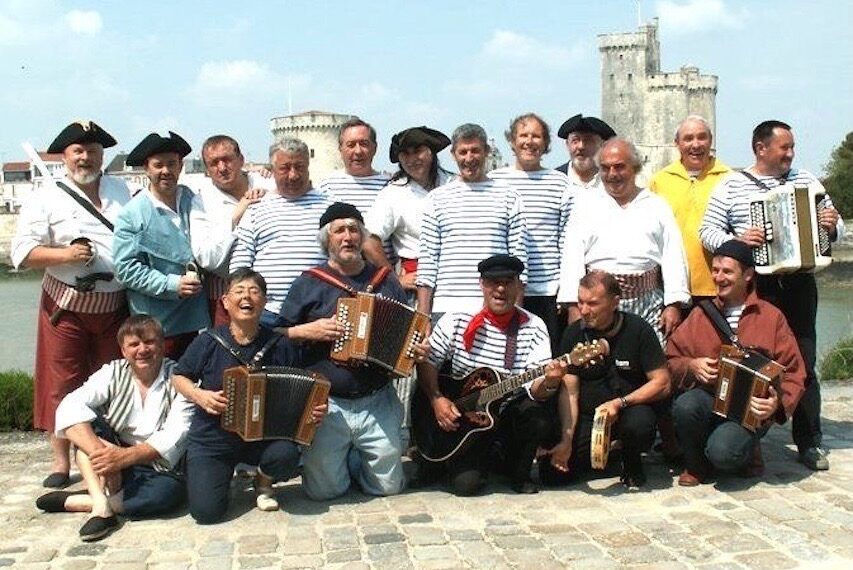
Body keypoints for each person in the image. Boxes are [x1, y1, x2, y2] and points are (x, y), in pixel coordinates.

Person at [700, 120, 845, 471]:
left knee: (804, 360)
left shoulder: (806, 181)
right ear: (761, 149)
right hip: (759, 286)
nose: (791, 154)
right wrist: (738, 242)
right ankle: (752, 435)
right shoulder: (731, 185)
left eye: (792, 147)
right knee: (757, 359)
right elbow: (707, 231)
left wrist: (830, 225)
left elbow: (836, 225)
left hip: (798, 284)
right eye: (785, 148)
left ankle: (810, 441)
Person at [11, 120, 132, 488]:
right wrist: (65, 255)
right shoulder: (44, 197)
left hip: (114, 305)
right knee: (62, 385)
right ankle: (61, 463)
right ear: (64, 155)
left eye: (92, 151)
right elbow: (23, 253)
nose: (85, 157)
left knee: (112, 383)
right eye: (78, 151)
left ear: (102, 155)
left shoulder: (123, 190)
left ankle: (108, 453)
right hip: (66, 306)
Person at [279, 202, 419, 500]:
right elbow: (276, 335)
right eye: (339, 231)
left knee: (389, 489)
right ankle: (343, 456)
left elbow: (407, 331)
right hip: (328, 404)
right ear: (327, 240)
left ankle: (354, 457)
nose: (347, 237)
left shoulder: (384, 280)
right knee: (323, 492)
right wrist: (306, 330)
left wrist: (414, 348)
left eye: (354, 230)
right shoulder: (308, 283)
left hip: (377, 399)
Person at [172, 268, 326, 523]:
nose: (247, 297)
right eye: (239, 291)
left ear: (264, 302)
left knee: (287, 454)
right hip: (214, 438)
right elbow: (179, 376)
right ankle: (219, 477)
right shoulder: (208, 341)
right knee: (206, 513)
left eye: (255, 292)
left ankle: (263, 480)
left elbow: (306, 389)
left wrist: (316, 409)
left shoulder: (279, 344)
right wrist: (199, 396)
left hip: (263, 438)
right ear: (225, 302)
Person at [35, 315, 193, 541]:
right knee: (83, 424)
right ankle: (102, 506)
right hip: (110, 456)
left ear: (162, 344)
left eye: (149, 342)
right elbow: (69, 406)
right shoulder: (112, 372)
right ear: (123, 350)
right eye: (134, 344)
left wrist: (122, 458)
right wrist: (103, 454)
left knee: (169, 495)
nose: (142, 350)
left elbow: (175, 435)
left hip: (156, 464)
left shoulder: (179, 377)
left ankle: (89, 499)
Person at [666, 241, 806, 485]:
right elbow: (670, 359)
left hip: (750, 410)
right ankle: (697, 467)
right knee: (686, 405)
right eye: (716, 270)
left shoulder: (771, 317)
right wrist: (691, 365)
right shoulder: (700, 315)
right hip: (710, 398)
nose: (718, 277)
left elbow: (794, 371)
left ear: (748, 275)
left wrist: (777, 404)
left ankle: (743, 450)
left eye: (727, 271)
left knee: (723, 454)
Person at [416, 254, 554, 495]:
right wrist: (436, 398)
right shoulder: (457, 319)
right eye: (493, 282)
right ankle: (458, 458)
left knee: (537, 417)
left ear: (519, 285)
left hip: (507, 412)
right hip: (465, 417)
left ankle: (517, 472)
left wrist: (550, 381)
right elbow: (429, 361)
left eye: (508, 282)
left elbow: (535, 390)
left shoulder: (534, 326)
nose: (500, 289)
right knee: (466, 486)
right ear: (481, 284)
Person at [539, 271, 671, 488]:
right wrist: (567, 439)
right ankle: (607, 454)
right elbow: (569, 392)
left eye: (592, 303)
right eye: (580, 302)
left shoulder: (639, 330)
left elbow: (662, 382)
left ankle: (630, 459)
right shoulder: (573, 334)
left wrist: (620, 403)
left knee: (639, 425)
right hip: (589, 416)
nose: (583, 310)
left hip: (629, 409)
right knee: (551, 475)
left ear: (614, 302)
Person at [557, 137, 690, 344]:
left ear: (634, 168)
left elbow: (673, 255)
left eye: (619, 167)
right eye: (606, 168)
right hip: (596, 304)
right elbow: (571, 259)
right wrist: (574, 306)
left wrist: (673, 304)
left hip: (647, 304)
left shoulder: (656, 205)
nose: (612, 174)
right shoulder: (586, 205)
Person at [112, 131, 209, 360]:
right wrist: (172, 284)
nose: (166, 171)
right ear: (147, 168)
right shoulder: (132, 214)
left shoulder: (194, 200)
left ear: (181, 166)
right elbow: (125, 269)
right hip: (157, 323)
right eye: (158, 165)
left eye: (171, 164)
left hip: (196, 318)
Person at [417, 123, 529, 318]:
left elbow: (519, 261)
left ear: (486, 152)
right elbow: (428, 264)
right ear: (453, 154)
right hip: (447, 309)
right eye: (463, 152)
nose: (469, 158)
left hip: (496, 306)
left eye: (475, 151)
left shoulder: (509, 197)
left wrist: (517, 313)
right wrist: (422, 318)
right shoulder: (436, 199)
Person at [489, 113, 574, 349]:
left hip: (547, 289)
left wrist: (564, 288)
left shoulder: (560, 182)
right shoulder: (494, 181)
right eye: (523, 135)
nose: (529, 141)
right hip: (503, 287)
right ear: (512, 141)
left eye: (536, 136)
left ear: (545, 144)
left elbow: (566, 239)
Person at [229, 138, 334, 327]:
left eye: (299, 167)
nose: (293, 175)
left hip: (320, 313)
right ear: (273, 170)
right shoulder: (256, 208)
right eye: (285, 168)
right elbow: (240, 263)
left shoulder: (330, 206)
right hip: (268, 314)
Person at [189, 135, 274, 326]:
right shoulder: (201, 202)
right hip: (226, 295)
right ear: (207, 169)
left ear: (241, 160)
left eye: (227, 159)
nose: (222, 167)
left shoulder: (269, 184)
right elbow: (206, 257)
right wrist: (236, 216)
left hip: (274, 295)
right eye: (214, 163)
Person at [363, 125, 454, 291]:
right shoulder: (393, 193)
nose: (412, 160)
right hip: (416, 282)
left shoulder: (455, 184)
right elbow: (369, 241)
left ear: (431, 152)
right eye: (406, 154)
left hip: (459, 275)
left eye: (418, 151)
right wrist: (394, 279)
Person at [650, 115, 731, 300]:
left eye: (702, 137)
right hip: (672, 290)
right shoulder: (660, 181)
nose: (696, 144)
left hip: (719, 287)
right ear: (677, 143)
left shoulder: (729, 179)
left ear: (711, 140)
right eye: (688, 138)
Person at [554, 113, 616, 194]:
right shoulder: (554, 181)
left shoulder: (614, 180)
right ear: (567, 145)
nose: (581, 146)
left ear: (603, 145)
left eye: (588, 141)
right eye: (575, 141)